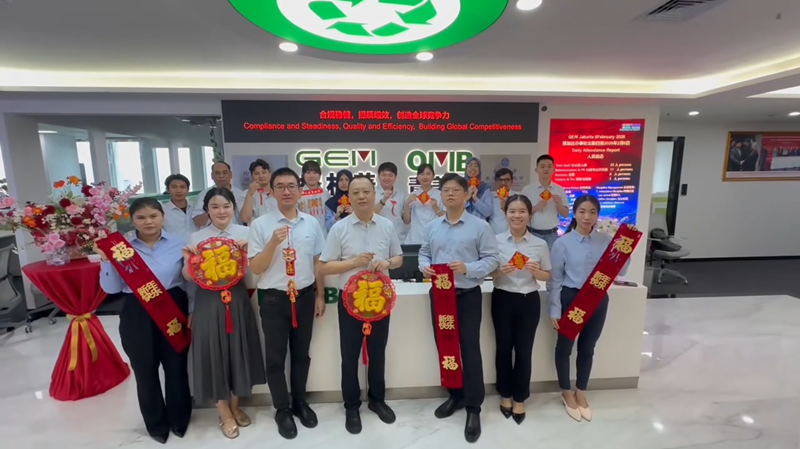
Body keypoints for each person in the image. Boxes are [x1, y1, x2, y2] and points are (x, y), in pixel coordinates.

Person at [96, 197, 191, 445]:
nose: (148, 221)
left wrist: (191, 311)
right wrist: (105, 261)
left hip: (173, 308)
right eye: (141, 217)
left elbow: (189, 282)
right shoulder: (121, 249)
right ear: (132, 220)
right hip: (136, 311)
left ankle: (180, 418)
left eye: (153, 216)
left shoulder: (180, 244)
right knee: (145, 369)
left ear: (163, 217)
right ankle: (156, 424)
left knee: (176, 367)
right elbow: (111, 288)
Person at [418, 173, 499, 443]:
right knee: (446, 346)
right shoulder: (433, 226)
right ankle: (456, 395)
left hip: (467, 295)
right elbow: (424, 253)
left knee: (469, 349)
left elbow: (492, 259)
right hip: (440, 295)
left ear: (466, 195)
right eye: (446, 190)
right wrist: (424, 266)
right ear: (440, 195)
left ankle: (474, 407)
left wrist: (468, 268)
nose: (450, 194)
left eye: (455, 190)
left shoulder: (479, 226)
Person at [319, 175, 403, 435]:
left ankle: (377, 400)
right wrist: (354, 263)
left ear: (374, 193)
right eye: (356, 192)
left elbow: (399, 258)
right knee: (350, 356)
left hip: (379, 300)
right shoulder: (339, 228)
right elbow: (324, 267)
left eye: (366, 191)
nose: (362, 196)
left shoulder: (387, 225)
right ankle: (352, 406)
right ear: (349, 197)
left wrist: (388, 263)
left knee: (378, 353)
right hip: (350, 301)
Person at [247, 167, 326, 440]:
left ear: (300, 191)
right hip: (274, 299)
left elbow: (317, 262)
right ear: (271, 192)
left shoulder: (311, 223)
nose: (286, 191)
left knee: (302, 354)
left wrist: (319, 295)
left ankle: (300, 402)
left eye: (292, 186)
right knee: (275, 358)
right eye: (280, 186)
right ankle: (282, 409)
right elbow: (256, 268)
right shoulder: (260, 225)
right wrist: (272, 243)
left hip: (304, 297)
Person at [182, 187, 266, 439]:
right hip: (208, 303)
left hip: (238, 299)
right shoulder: (196, 237)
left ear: (233, 208)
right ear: (207, 210)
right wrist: (189, 261)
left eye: (226, 206)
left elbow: (257, 271)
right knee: (213, 354)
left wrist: (248, 253)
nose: (221, 211)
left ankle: (236, 406)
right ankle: (224, 412)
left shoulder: (247, 233)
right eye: (215, 206)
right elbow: (188, 278)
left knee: (238, 350)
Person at [549, 194, 628, 422]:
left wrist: (624, 247)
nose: (587, 216)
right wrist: (554, 308)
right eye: (582, 211)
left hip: (598, 299)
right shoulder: (562, 243)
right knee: (564, 347)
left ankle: (581, 391)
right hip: (571, 298)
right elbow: (555, 280)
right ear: (574, 214)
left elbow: (621, 271)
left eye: (592, 212)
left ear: (597, 215)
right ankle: (566, 392)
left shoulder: (605, 240)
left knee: (588, 347)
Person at [491, 194, 551, 424]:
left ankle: (520, 398)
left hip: (529, 300)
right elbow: (488, 272)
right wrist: (499, 271)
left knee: (524, 351)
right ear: (505, 214)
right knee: (503, 349)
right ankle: (505, 394)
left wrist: (537, 272)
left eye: (522, 211)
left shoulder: (540, 244)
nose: (517, 216)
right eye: (512, 211)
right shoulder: (495, 241)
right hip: (502, 298)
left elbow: (547, 275)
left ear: (529, 214)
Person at [521, 155, 569, 249]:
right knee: (533, 257)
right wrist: (535, 208)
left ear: (553, 170)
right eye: (542, 166)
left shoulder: (559, 190)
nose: (546, 169)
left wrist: (559, 205)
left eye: (549, 166)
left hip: (552, 235)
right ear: (536, 170)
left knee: (552, 258)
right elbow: (521, 213)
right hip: (533, 233)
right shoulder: (527, 190)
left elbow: (566, 214)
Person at [193, 161, 247, 228]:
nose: (221, 176)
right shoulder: (203, 195)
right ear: (212, 176)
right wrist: (212, 209)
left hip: (237, 232)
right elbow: (197, 222)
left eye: (224, 172)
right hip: (213, 233)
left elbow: (246, 219)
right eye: (217, 173)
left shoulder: (241, 194)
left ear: (231, 175)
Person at [403, 164, 443, 244]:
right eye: (422, 174)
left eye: (428, 174)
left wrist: (436, 208)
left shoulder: (440, 195)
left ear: (433, 176)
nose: (425, 177)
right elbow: (406, 221)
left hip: (434, 238)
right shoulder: (412, 196)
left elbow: (446, 218)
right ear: (418, 177)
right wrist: (407, 204)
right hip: (414, 239)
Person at [374, 162, 408, 242]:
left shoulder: (401, 194)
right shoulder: (372, 193)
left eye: (390, 175)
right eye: (384, 175)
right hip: (378, 237)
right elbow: (369, 214)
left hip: (399, 237)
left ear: (395, 177)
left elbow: (404, 218)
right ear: (378, 176)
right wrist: (383, 200)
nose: (387, 178)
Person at [240, 158, 277, 224]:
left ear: (270, 174)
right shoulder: (245, 194)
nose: (261, 176)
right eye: (256, 174)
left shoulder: (279, 192)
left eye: (264, 172)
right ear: (252, 177)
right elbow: (245, 219)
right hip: (256, 229)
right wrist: (250, 194)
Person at [298, 160, 329, 235]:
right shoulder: (298, 194)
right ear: (303, 175)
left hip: (323, 235)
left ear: (320, 175)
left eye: (315, 172)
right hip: (304, 235)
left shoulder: (325, 193)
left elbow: (329, 217)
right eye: (308, 172)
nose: (311, 176)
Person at [161, 174, 194, 238]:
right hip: (173, 244)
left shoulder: (195, 207)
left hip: (198, 243)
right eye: (174, 187)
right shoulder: (162, 210)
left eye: (182, 187)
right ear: (167, 190)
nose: (178, 191)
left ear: (188, 189)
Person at [463, 157, 494, 222]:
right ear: (466, 169)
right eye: (470, 165)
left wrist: (476, 199)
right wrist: (467, 197)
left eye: (476, 166)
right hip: (462, 224)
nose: (473, 168)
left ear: (479, 170)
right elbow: (454, 209)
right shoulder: (460, 186)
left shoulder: (485, 187)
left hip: (480, 225)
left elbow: (488, 212)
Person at [487, 168, 516, 235]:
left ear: (512, 182)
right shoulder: (489, 196)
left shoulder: (517, 197)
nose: (503, 182)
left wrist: (506, 209)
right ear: (495, 181)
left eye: (507, 180)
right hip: (493, 236)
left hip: (512, 236)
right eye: (500, 180)